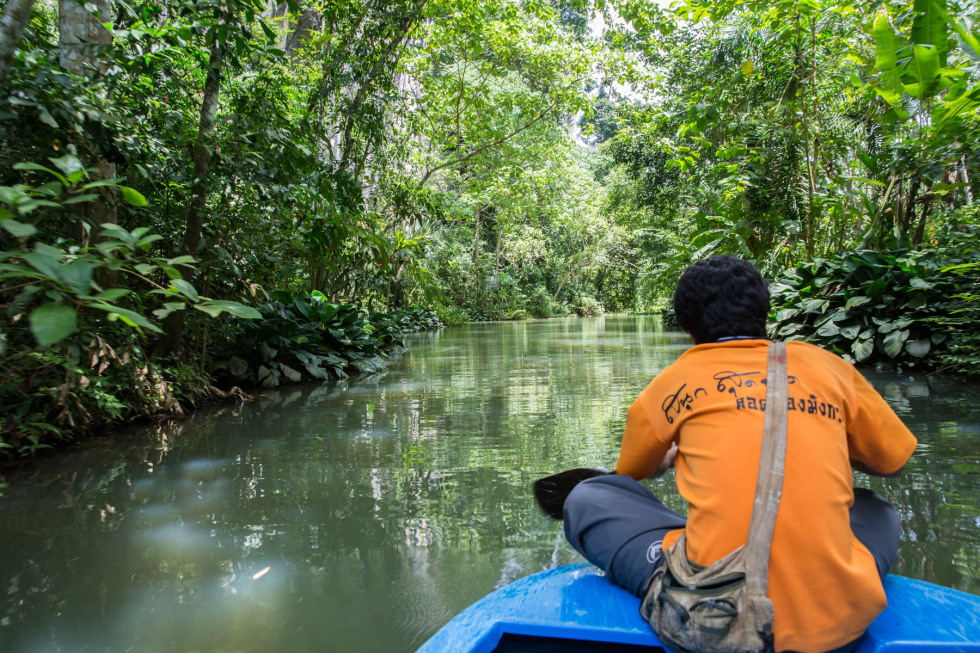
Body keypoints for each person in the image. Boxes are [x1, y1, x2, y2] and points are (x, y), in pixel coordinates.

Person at [562, 255, 917, 653]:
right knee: (877, 510)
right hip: (839, 627)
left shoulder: (671, 385)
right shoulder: (832, 369)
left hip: (715, 619)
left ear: (688, 328)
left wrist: (665, 461)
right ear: (764, 313)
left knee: (590, 496)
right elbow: (893, 461)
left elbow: (628, 475)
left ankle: (699, 557)